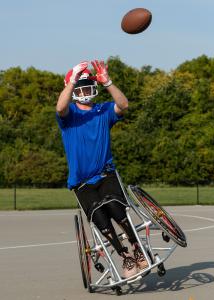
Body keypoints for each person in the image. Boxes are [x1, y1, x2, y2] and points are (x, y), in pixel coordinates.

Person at [56, 60, 148, 278]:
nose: (86, 92)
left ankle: (136, 247)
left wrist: (108, 81)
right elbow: (59, 107)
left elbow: (124, 105)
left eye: (89, 87)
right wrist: (71, 82)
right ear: (74, 90)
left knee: (116, 209)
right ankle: (124, 255)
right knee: (100, 217)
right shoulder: (69, 115)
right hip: (81, 180)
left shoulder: (103, 110)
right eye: (81, 87)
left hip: (106, 173)